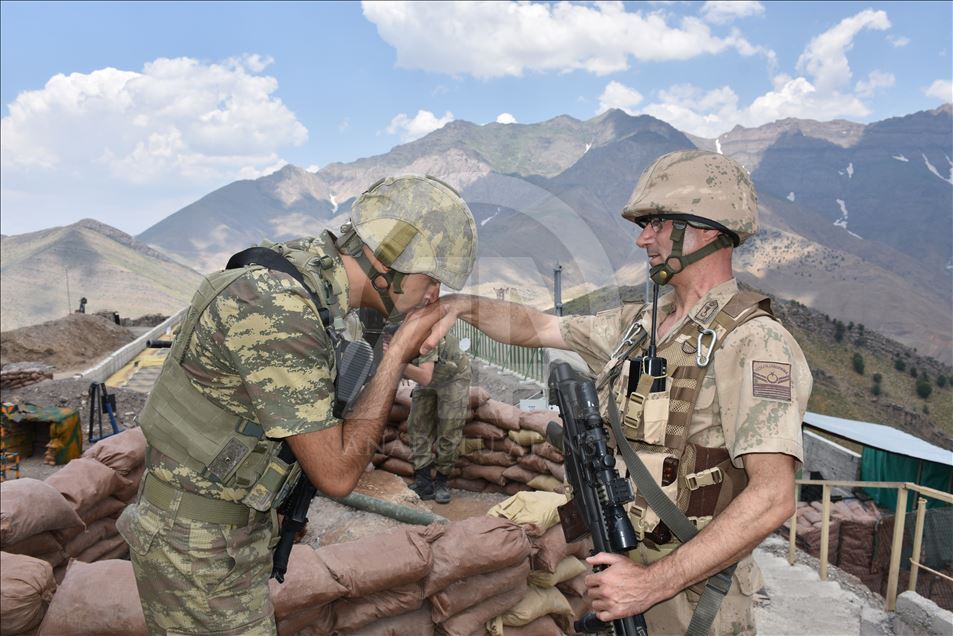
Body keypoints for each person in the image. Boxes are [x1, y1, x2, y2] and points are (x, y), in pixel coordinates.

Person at [426, 150, 812, 635]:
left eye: (655, 223)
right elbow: (539, 326)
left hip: (691, 598)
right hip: (623, 565)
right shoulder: (640, 326)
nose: (641, 237)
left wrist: (652, 583)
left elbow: (774, 496)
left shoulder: (755, 342)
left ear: (709, 229)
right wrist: (462, 305)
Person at [117, 175, 477, 635]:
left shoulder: (310, 286)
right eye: (432, 279)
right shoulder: (281, 307)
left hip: (222, 533)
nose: (433, 296)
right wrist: (397, 354)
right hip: (198, 544)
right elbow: (338, 474)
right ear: (387, 263)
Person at [403, 332, 472, 504]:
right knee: (417, 424)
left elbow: (424, 376)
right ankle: (424, 483)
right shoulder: (393, 342)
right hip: (429, 375)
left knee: (449, 429)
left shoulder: (425, 339)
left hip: (454, 377)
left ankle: (442, 482)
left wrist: (398, 365)